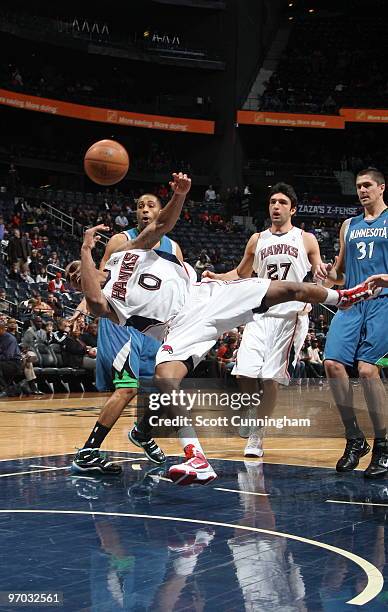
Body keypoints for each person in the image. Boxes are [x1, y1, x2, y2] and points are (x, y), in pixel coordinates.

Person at [67, 174, 380, 486]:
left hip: (203, 295)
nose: (77, 275)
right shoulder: (105, 303)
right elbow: (93, 299)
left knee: (285, 289)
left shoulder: (124, 252)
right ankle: (196, 458)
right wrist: (84, 249)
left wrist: (180, 195)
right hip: (179, 328)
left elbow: (161, 226)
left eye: (78, 271)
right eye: (73, 279)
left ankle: (344, 296)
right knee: (165, 377)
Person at [68, 177, 184, 476]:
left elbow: (180, 291)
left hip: (155, 326)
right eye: (140, 206)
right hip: (122, 323)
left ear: (161, 211)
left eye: (150, 205)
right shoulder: (122, 240)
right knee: (127, 389)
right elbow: (101, 278)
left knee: (163, 388)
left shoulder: (175, 247)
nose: (145, 210)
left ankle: (142, 432)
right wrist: (82, 307)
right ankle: (88, 451)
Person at [203, 182, 327, 457]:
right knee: (243, 372)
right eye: (273, 202)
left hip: (290, 316)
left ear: (293, 209)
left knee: (270, 378)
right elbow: (241, 272)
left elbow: (319, 270)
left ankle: (257, 436)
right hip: (259, 313)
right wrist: (216, 277)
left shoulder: (305, 238)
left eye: (282, 202)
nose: (276, 207)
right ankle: (250, 409)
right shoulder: (257, 239)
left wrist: (322, 273)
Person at [322, 167, 388, 478]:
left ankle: (383, 444)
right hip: (353, 300)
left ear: (381, 188)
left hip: (383, 302)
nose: (362, 190)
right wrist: (327, 274)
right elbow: (341, 273)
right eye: (359, 186)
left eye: (367, 185)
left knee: (366, 370)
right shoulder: (349, 225)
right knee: (332, 364)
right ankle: (354, 438)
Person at [0, 320, 23, 397]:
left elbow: (8, 356)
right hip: (4, 362)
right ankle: (17, 388)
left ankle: (5, 390)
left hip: (14, 363)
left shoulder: (10, 338)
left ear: (2, 329)